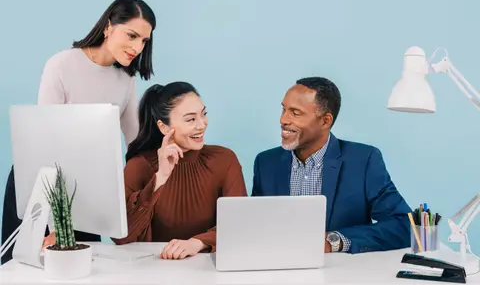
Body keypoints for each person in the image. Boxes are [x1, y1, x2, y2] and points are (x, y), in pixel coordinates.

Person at [1, 0, 157, 263]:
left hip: (87, 189)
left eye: (144, 41)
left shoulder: (126, 79)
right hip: (40, 182)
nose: (137, 47)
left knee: (86, 267)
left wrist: (163, 169)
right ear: (108, 27)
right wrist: (50, 226)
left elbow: (135, 143)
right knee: (22, 267)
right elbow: (43, 142)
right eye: (131, 36)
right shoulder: (62, 64)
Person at [251, 76, 411, 254]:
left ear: (325, 121)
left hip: (339, 274)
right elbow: (256, 225)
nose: (283, 119)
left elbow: (404, 225)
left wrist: (335, 241)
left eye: (295, 113)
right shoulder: (265, 163)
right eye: (284, 109)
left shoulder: (363, 160)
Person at [111, 82, 248, 260]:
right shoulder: (139, 166)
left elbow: (239, 224)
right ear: (164, 127)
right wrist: (160, 178)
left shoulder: (224, 160)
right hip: (153, 269)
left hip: (210, 269)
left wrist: (197, 243)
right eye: (191, 119)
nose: (202, 125)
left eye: (203, 114)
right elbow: (121, 237)